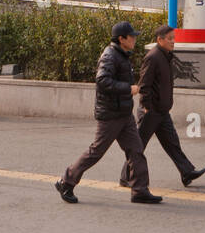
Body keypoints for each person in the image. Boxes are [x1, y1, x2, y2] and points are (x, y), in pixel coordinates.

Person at [56, 21, 161, 205]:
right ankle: (66, 181)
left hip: (124, 114)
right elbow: (102, 81)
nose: (135, 39)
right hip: (111, 114)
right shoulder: (110, 55)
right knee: (96, 152)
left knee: (136, 151)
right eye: (132, 36)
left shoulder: (122, 55)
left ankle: (140, 190)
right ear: (121, 39)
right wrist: (128, 89)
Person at [120, 25, 205, 189]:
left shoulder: (166, 56)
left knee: (172, 143)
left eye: (174, 38)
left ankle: (187, 172)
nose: (173, 41)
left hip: (162, 110)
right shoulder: (153, 57)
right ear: (160, 40)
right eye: (170, 39)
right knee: (139, 144)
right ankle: (126, 177)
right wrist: (146, 106)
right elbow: (144, 84)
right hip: (151, 110)